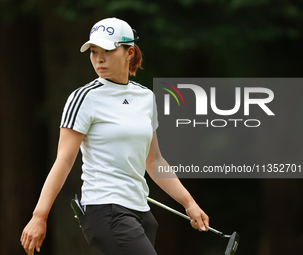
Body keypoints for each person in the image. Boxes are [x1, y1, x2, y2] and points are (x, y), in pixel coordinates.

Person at [20, 17, 209, 255]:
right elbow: (64, 160)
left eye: (107, 51)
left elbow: (154, 161)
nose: (98, 58)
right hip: (105, 211)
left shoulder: (146, 97)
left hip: (141, 212)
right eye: (94, 51)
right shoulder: (84, 98)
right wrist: (39, 215)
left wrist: (189, 203)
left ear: (129, 52)